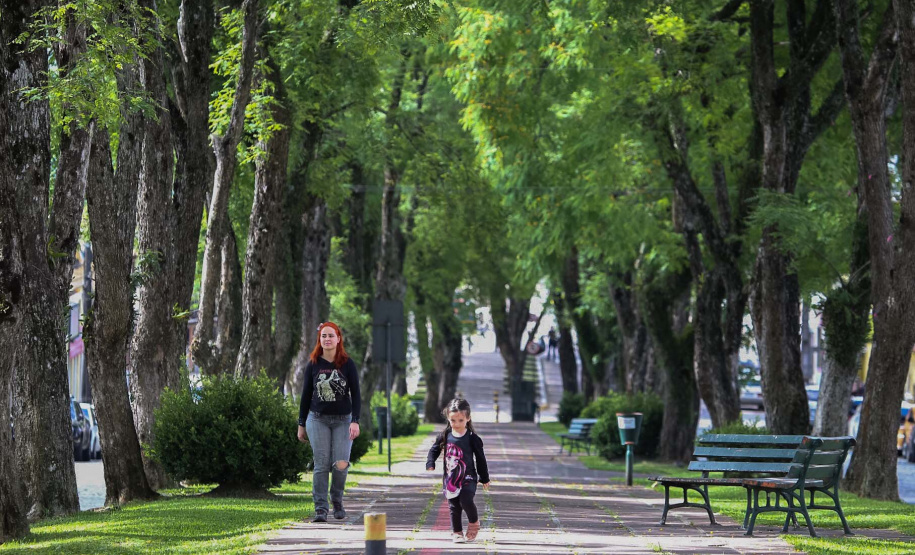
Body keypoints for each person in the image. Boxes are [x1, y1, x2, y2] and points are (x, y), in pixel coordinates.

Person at [297, 322, 361, 523]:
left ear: (338, 338)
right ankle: (320, 508)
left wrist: (355, 421)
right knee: (321, 464)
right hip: (317, 419)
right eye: (323, 336)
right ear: (320, 339)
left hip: (343, 420)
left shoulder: (347, 364)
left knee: (341, 464)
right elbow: (305, 395)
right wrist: (301, 424)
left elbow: (356, 395)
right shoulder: (313, 364)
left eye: (331, 335)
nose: (327, 339)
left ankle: (337, 500)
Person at [426, 398, 490, 543]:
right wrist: (430, 463)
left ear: (468, 418)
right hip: (451, 478)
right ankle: (457, 532)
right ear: (448, 419)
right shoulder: (445, 435)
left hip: (468, 477)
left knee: (466, 500)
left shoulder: (472, 438)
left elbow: (480, 458)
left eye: (461, 420)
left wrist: (484, 477)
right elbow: (434, 450)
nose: (457, 424)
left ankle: (473, 522)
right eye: (453, 420)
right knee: (454, 506)